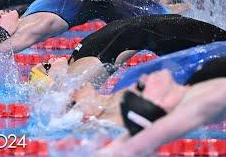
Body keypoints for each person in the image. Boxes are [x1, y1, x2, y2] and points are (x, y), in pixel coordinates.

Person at [0, 0, 189, 71]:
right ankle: (201, 3)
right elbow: (1, 50)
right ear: (5, 32)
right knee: (169, 14)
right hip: (108, 5)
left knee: (156, 1)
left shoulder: (26, 18)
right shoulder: (31, 29)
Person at [28, 14, 226, 87]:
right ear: (54, 80)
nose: (52, 58)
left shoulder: (76, 62)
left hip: (160, 29)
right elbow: (126, 43)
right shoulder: (79, 74)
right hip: (163, 31)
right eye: (47, 66)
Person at [94, 57, 226, 156]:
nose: (144, 77)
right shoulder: (203, 101)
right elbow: (144, 140)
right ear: (159, 103)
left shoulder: (191, 90)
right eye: (141, 86)